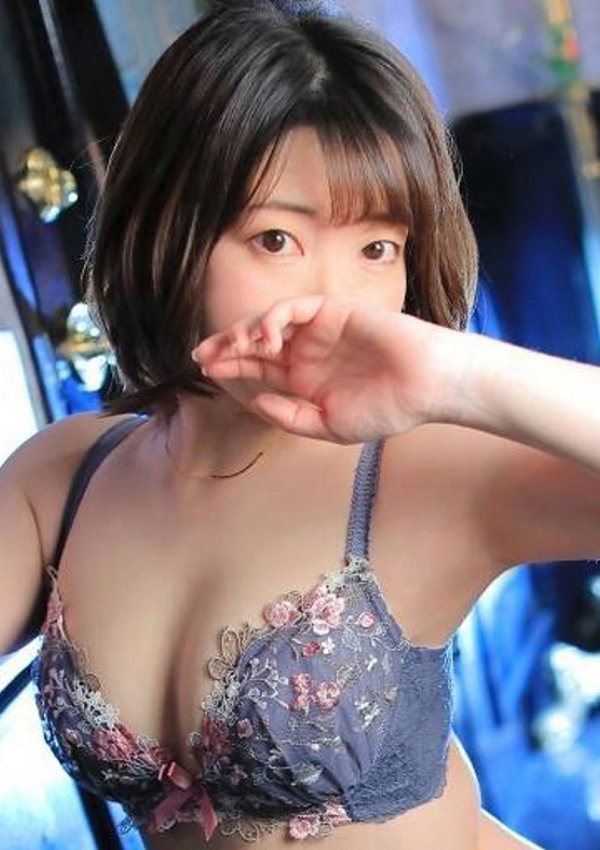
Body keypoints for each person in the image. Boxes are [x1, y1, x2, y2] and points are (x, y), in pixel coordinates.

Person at [6, 0, 600, 847]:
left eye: (377, 250)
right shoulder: (63, 477)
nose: (332, 302)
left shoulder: (429, 473)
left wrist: (457, 374)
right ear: (170, 227)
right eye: (278, 240)